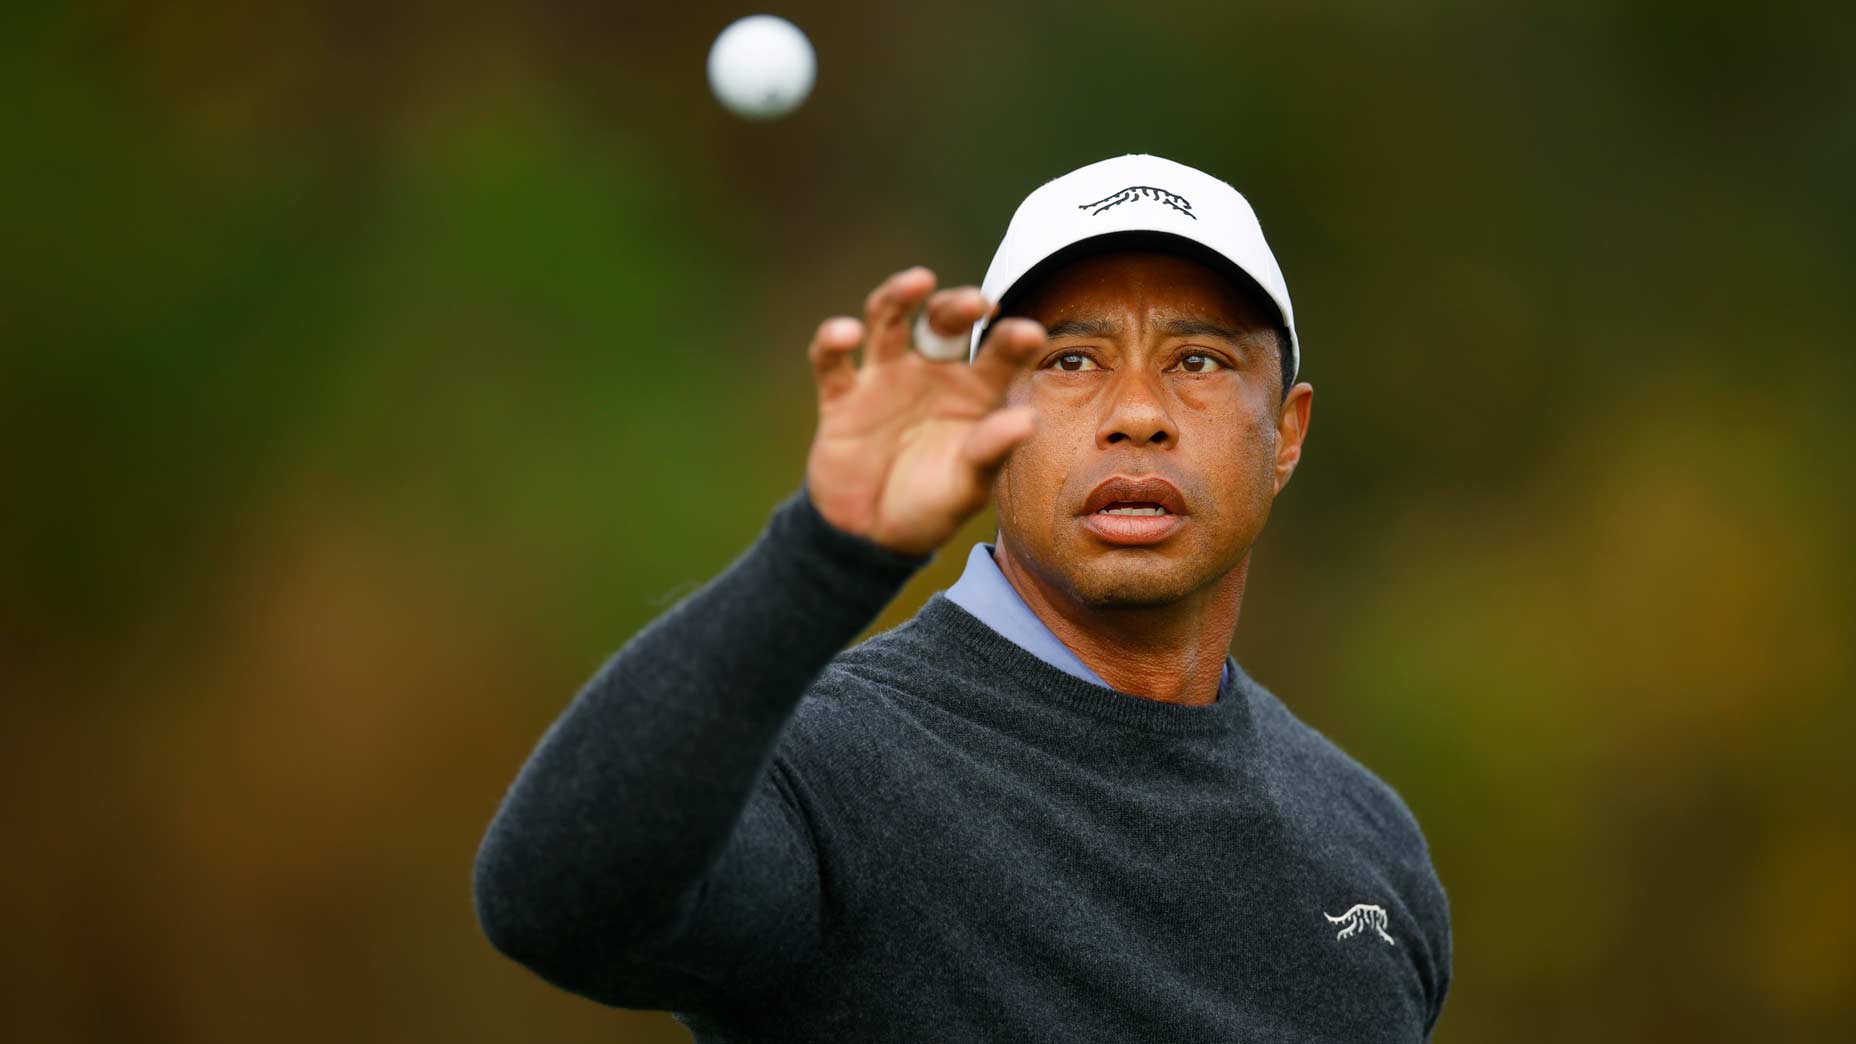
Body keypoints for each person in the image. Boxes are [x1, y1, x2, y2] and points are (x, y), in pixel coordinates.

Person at [472, 154, 1452, 1041]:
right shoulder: (830, 772)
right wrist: (821, 555)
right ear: (990, 417)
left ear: (1284, 433)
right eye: (1070, 360)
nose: (1139, 416)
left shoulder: (1368, 851)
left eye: (1198, 360)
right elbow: (554, 904)